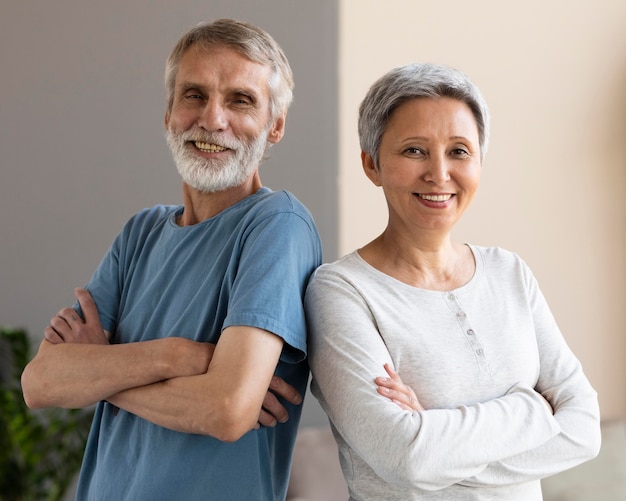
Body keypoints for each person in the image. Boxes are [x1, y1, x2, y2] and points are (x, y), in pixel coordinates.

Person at [21, 19, 322, 500]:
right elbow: (41, 383)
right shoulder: (140, 233)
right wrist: (178, 357)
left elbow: (225, 409)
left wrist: (99, 373)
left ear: (276, 126)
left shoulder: (277, 225)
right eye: (194, 95)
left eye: (240, 100)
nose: (212, 119)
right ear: (168, 113)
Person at [304, 63, 600, 500]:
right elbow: (408, 457)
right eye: (414, 151)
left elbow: (583, 430)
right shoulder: (340, 292)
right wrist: (531, 409)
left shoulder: (509, 272)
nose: (439, 174)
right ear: (372, 164)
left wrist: (436, 438)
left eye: (459, 151)